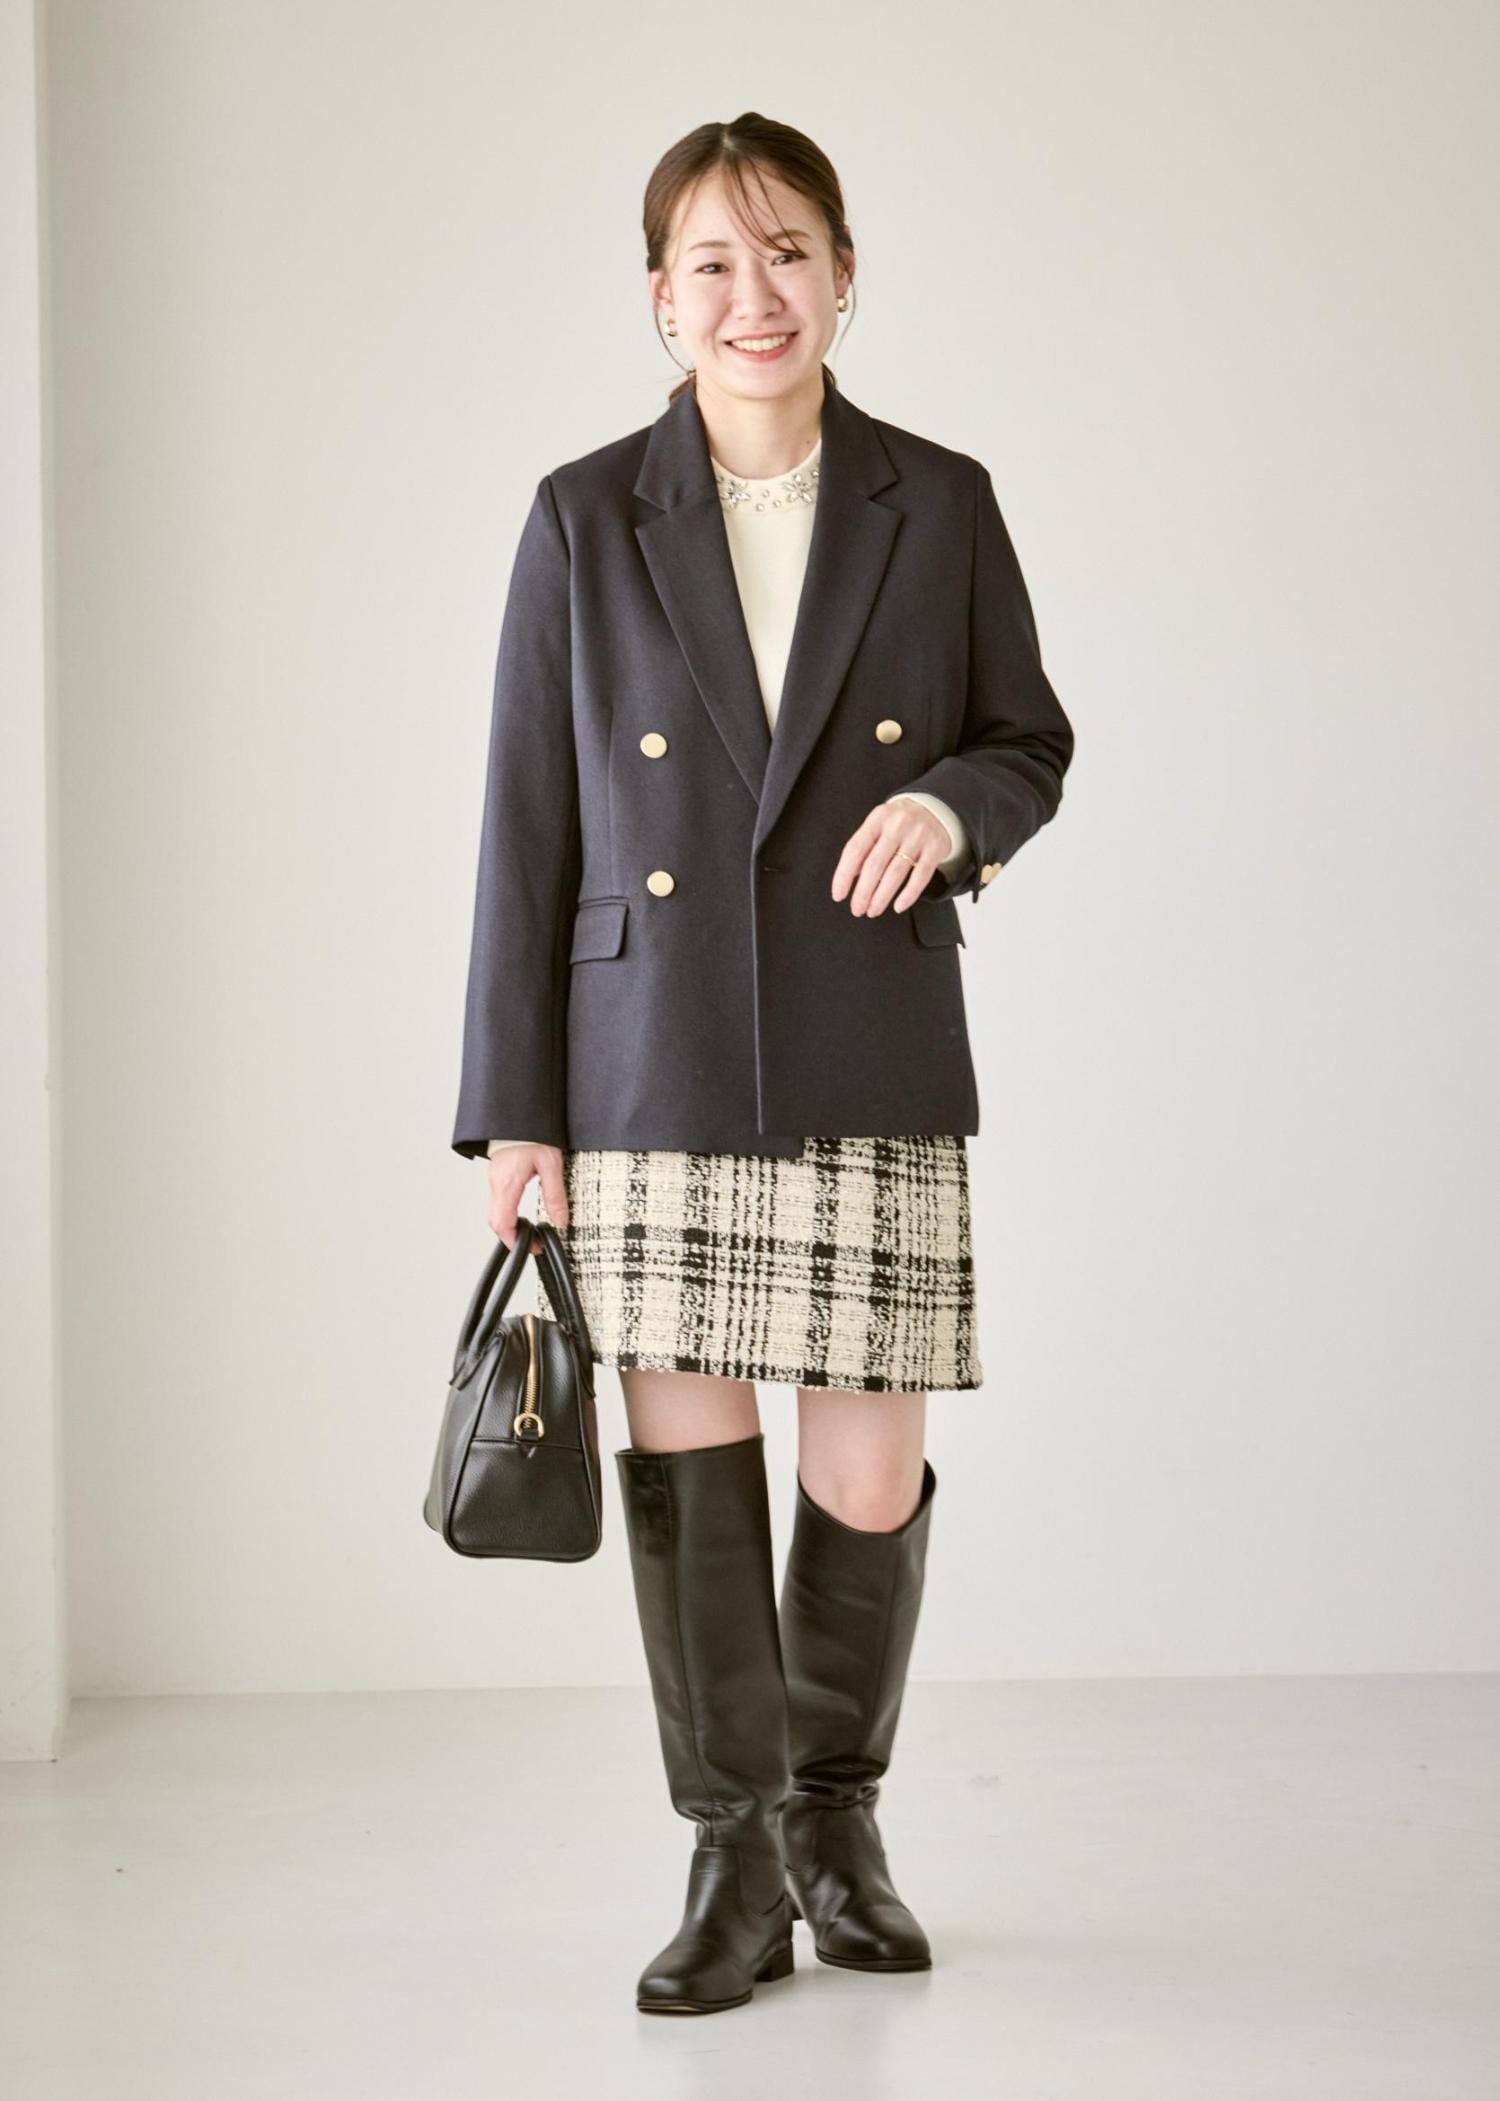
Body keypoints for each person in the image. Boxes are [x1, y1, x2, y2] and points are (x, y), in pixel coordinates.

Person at [451, 112, 1074, 2015]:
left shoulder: (935, 500)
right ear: (661, 300)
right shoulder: (585, 513)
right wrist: (516, 1110)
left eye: (787, 250)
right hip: (656, 1048)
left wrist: (952, 811)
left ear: (846, 274)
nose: (754, 293)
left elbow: (1029, 739)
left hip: (868, 1030)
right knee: (695, 1467)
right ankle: (731, 1855)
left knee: (868, 1469)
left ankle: (835, 1823)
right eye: (712, 262)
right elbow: (528, 825)